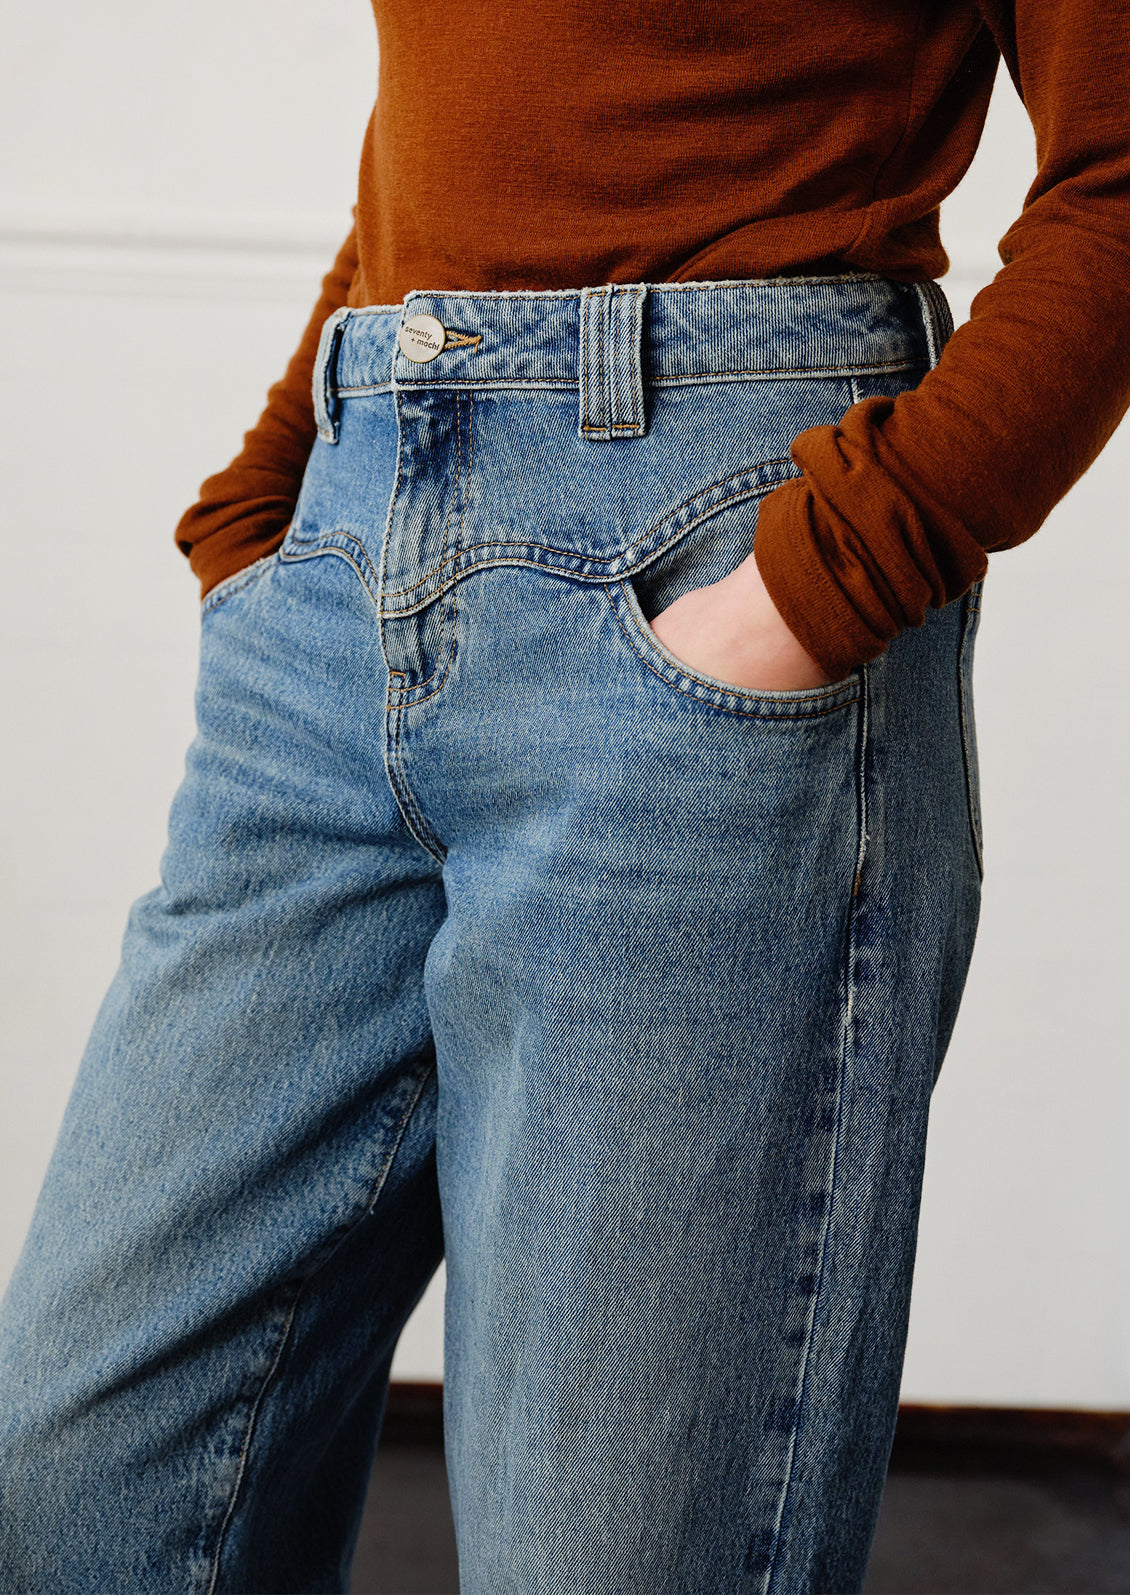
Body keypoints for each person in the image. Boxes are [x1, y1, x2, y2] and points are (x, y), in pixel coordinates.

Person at [1, 4, 1127, 1592]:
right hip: (349, 549)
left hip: (709, 569)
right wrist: (266, 495)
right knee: (79, 1484)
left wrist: (816, 586)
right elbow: (470, 130)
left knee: (608, 1550)